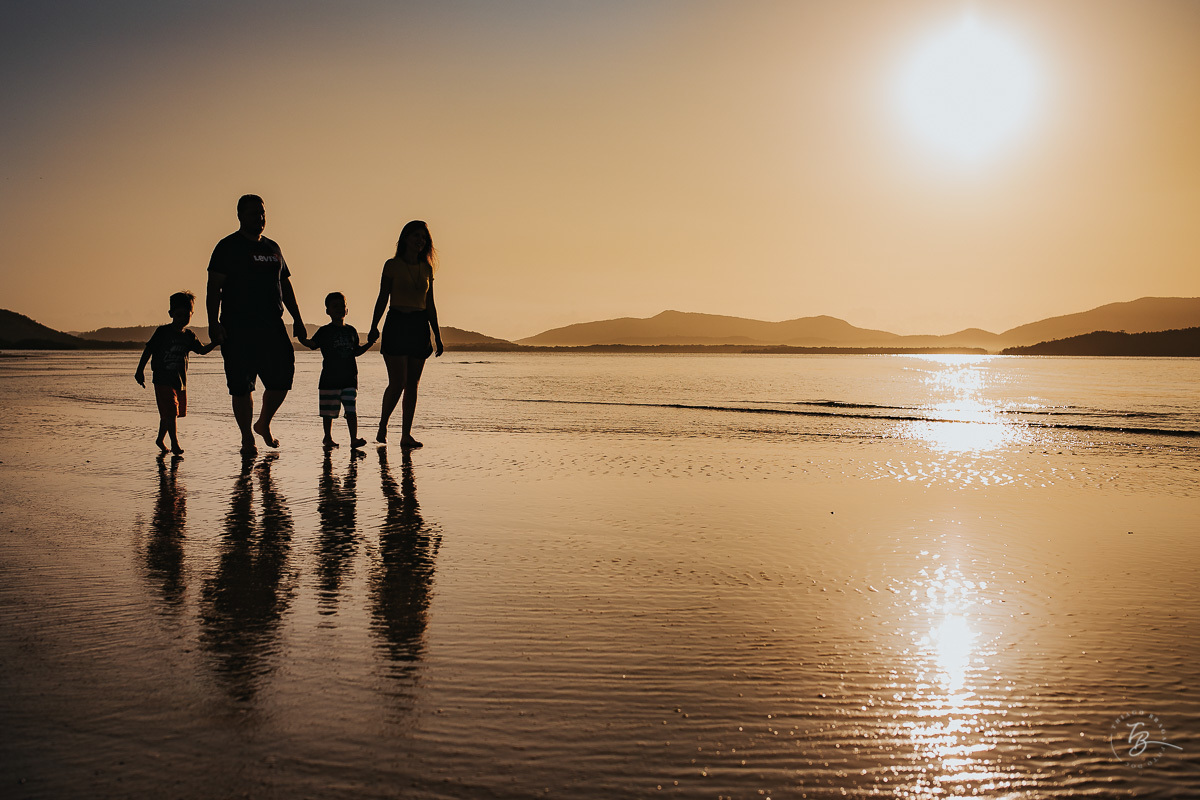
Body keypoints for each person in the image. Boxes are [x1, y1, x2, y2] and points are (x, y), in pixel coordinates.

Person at [206, 194, 307, 454]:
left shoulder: (274, 248)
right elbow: (213, 288)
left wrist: (297, 318)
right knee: (241, 386)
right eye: (253, 213)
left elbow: (285, 285)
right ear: (240, 216)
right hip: (237, 327)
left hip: (272, 325)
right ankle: (246, 438)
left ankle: (263, 423)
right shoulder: (227, 247)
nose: (259, 218)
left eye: (262, 213)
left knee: (282, 380)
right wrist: (213, 323)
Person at [369, 220, 444, 448]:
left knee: (413, 384)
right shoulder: (392, 265)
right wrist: (374, 326)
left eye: (423, 237)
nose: (420, 241)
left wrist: (437, 336)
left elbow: (430, 304)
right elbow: (383, 297)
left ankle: (406, 435)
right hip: (397, 322)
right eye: (415, 236)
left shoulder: (427, 269)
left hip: (419, 324)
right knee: (398, 382)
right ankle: (383, 424)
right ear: (405, 239)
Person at [135, 291, 217, 454]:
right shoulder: (163, 332)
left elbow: (201, 350)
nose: (183, 319)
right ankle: (175, 443)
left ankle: (160, 439)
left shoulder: (189, 336)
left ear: (192, 314)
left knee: (171, 414)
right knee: (171, 410)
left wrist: (216, 343)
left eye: (187, 315)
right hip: (162, 379)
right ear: (171, 314)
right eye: (179, 315)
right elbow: (148, 350)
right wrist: (140, 370)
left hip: (179, 381)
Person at [298, 291, 378, 449]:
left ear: (347, 310)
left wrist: (370, 343)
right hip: (329, 379)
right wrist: (301, 338)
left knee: (351, 410)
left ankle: (353, 439)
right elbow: (313, 345)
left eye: (342, 306)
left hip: (349, 378)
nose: (339, 309)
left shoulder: (351, 331)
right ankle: (327, 438)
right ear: (328, 311)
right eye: (335, 306)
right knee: (328, 413)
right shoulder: (324, 331)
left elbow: (356, 351)